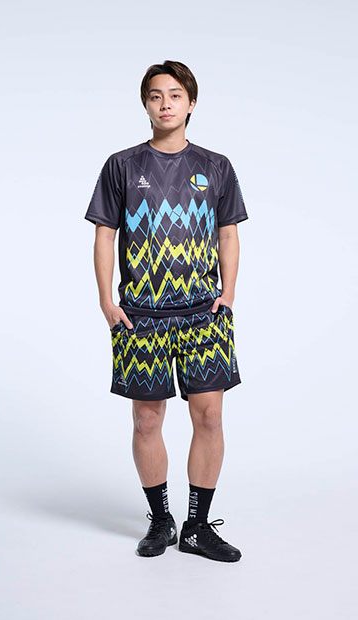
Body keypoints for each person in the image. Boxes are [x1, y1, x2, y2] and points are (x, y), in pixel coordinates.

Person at [84, 60, 248, 562]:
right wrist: (107, 300)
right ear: (145, 104)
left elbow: (227, 233)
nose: (165, 104)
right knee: (146, 421)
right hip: (142, 314)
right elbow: (105, 234)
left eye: (175, 95)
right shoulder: (121, 165)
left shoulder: (216, 166)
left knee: (210, 416)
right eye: (156, 96)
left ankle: (197, 526)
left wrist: (228, 293)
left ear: (191, 103)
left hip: (203, 313)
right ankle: (161, 520)